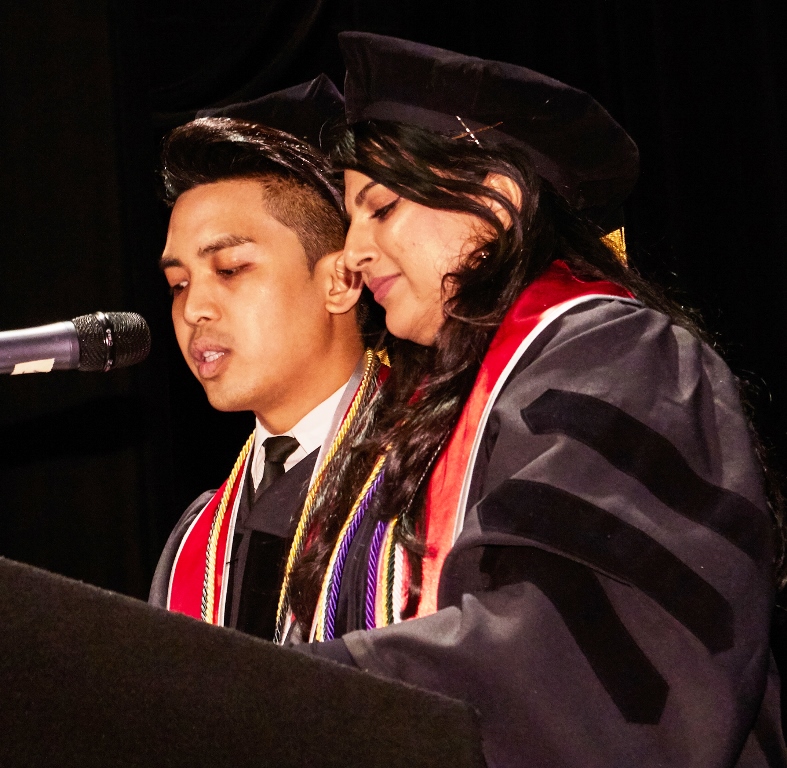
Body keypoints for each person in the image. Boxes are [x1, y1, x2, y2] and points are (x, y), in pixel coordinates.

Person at [281, 33, 787, 766]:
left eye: (381, 207)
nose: (352, 251)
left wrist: (311, 697)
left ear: (494, 201)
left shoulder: (622, 358)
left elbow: (588, 653)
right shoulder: (420, 416)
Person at [148, 78, 386, 642]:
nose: (194, 309)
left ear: (342, 281)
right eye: (179, 283)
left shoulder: (428, 477)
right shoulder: (196, 546)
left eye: (229, 269)